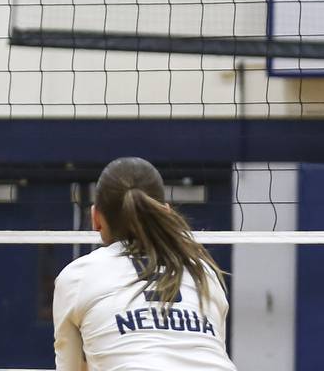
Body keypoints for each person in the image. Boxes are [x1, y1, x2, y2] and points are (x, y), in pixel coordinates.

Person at [52, 157, 236, 371]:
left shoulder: (78, 276)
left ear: (96, 218)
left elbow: (70, 368)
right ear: (166, 212)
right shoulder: (203, 272)